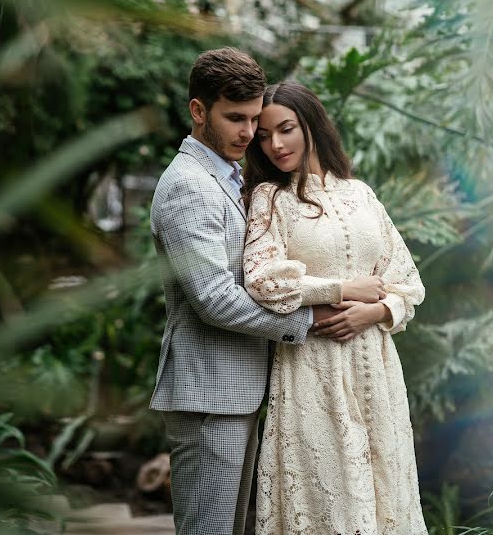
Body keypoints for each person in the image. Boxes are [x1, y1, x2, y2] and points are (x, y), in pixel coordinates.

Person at [149, 50, 383, 535]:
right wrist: (316, 318)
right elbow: (213, 298)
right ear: (198, 111)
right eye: (235, 118)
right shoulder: (189, 186)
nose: (248, 132)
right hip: (208, 396)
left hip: (240, 391)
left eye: (255, 119)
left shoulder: (230, 178)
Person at [243, 81, 429, 534]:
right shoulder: (270, 200)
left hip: (377, 370)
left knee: (386, 490)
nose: (275, 144)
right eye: (264, 136)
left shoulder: (360, 194)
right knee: (329, 496)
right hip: (313, 368)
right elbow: (263, 280)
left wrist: (378, 311)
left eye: (285, 129)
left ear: (311, 125)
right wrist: (341, 289)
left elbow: (408, 282)